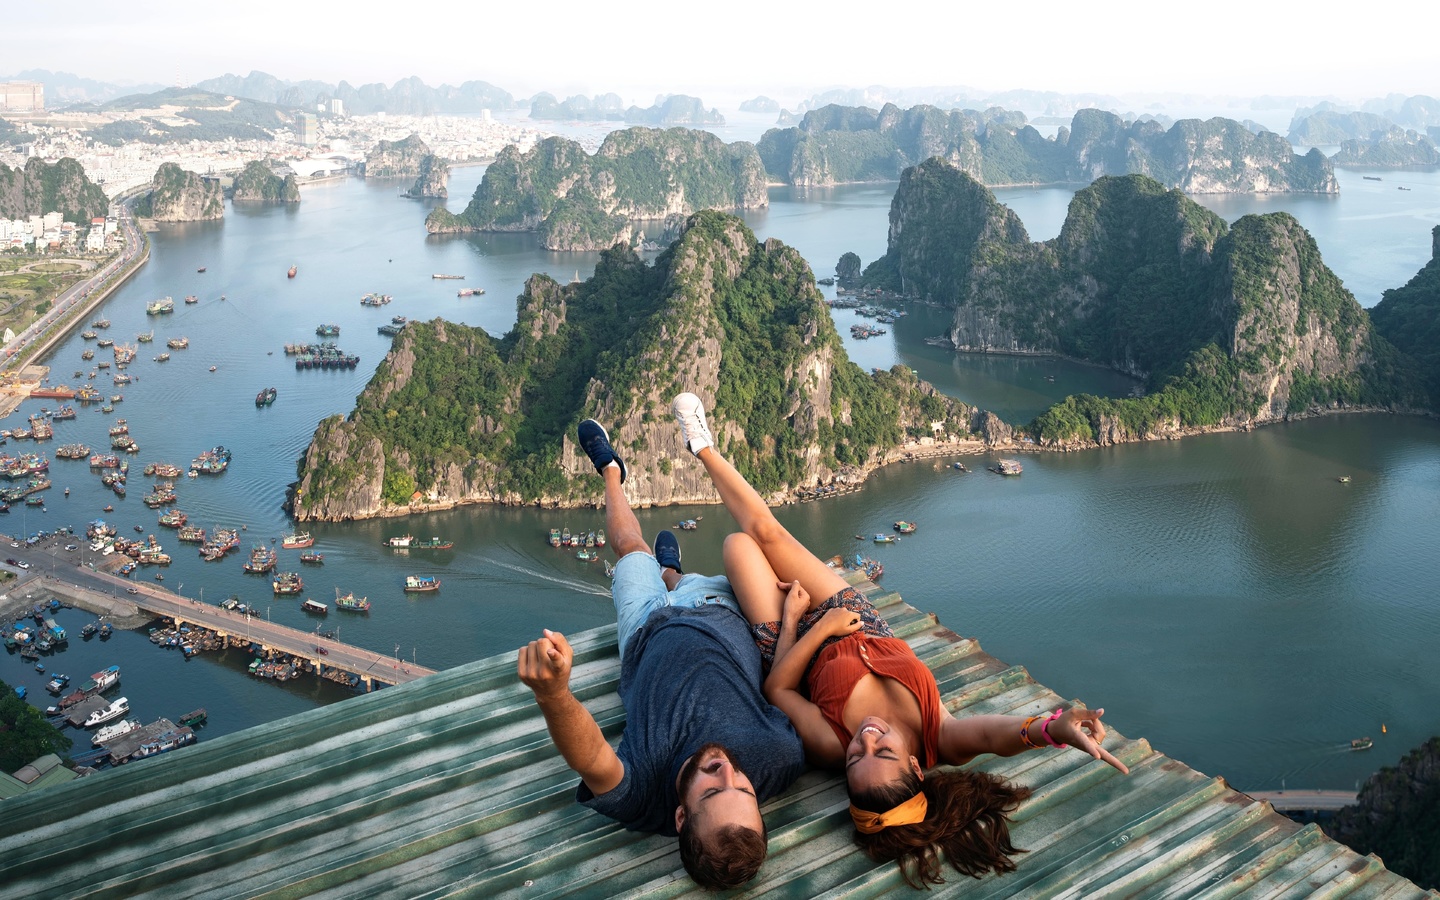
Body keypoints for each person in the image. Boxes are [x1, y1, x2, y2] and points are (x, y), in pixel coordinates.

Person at [667, 391, 1131, 888]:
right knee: (770, 533)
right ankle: (703, 447)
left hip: (795, 643)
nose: (865, 738)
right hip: (861, 618)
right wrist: (1056, 729)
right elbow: (1000, 736)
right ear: (915, 764)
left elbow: (777, 691)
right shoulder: (940, 737)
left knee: (738, 545)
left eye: (855, 758)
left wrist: (804, 619)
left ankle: (671, 577)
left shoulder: (829, 743)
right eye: (882, 751)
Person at [516, 418, 805, 890]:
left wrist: (553, 695)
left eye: (713, 788)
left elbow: (593, 761)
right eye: (745, 787)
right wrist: (789, 621)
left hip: (644, 631)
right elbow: (783, 684)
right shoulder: (780, 758)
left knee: (630, 547)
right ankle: (672, 572)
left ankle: (611, 470)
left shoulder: (644, 796)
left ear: (678, 817)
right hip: (716, 609)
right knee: (680, 579)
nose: (728, 768)